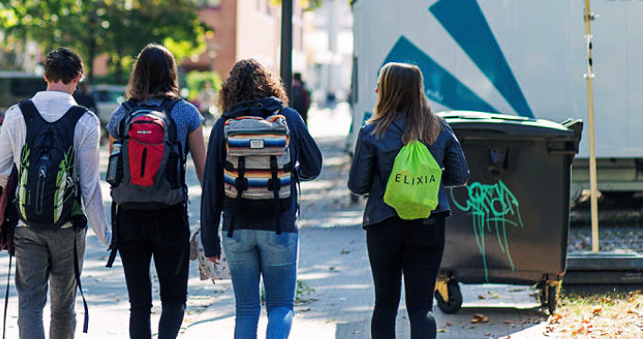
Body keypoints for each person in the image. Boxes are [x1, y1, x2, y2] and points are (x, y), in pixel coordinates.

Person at [0, 47, 110, 339]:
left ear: (45, 75)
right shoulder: (86, 120)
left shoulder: (18, 113)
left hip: (26, 225)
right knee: (63, 306)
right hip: (68, 228)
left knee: (30, 303)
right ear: (78, 78)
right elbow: (90, 185)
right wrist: (106, 235)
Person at [200, 59, 323, 339]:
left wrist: (210, 240)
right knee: (280, 306)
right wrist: (291, 173)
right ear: (270, 84)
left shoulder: (224, 124)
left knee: (246, 309)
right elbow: (314, 165)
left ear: (229, 89)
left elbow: (211, 188)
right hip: (279, 225)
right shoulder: (289, 118)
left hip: (236, 228)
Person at [347, 62, 468, 339]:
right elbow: (460, 175)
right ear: (418, 90)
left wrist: (388, 183)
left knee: (386, 304)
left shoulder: (371, 131)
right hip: (429, 222)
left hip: (383, 223)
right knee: (421, 306)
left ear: (386, 90)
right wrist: (426, 185)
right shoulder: (439, 128)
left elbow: (357, 185)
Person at [103, 43, 206, 339]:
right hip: (170, 214)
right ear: (172, 73)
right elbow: (203, 171)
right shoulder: (186, 113)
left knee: (139, 304)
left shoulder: (121, 114)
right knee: (174, 300)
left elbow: (115, 171)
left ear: (138, 74)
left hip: (128, 215)